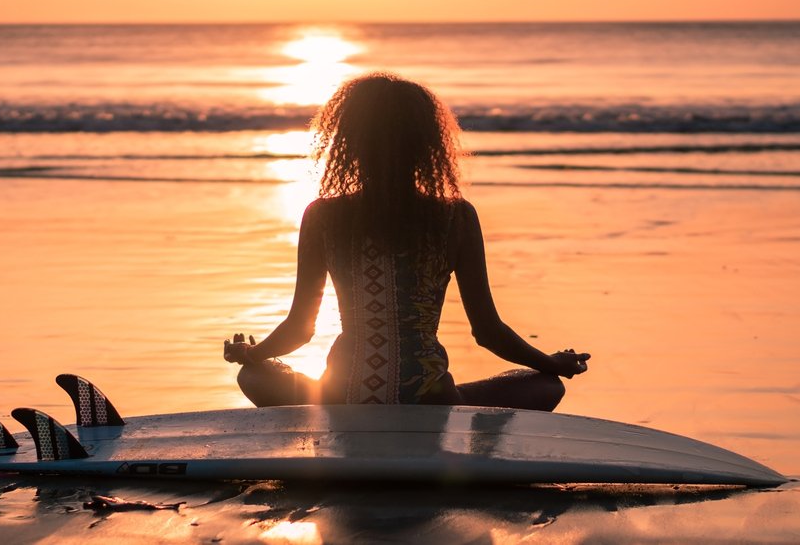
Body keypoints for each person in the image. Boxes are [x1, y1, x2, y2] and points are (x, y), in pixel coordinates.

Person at [223, 73, 590, 410]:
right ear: (427, 146)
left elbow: (300, 329)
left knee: (254, 376)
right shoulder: (455, 218)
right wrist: (550, 363)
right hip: (433, 400)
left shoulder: (323, 216)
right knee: (546, 385)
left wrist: (254, 355)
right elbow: (488, 332)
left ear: (349, 143)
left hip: (341, 398)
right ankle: (474, 448)